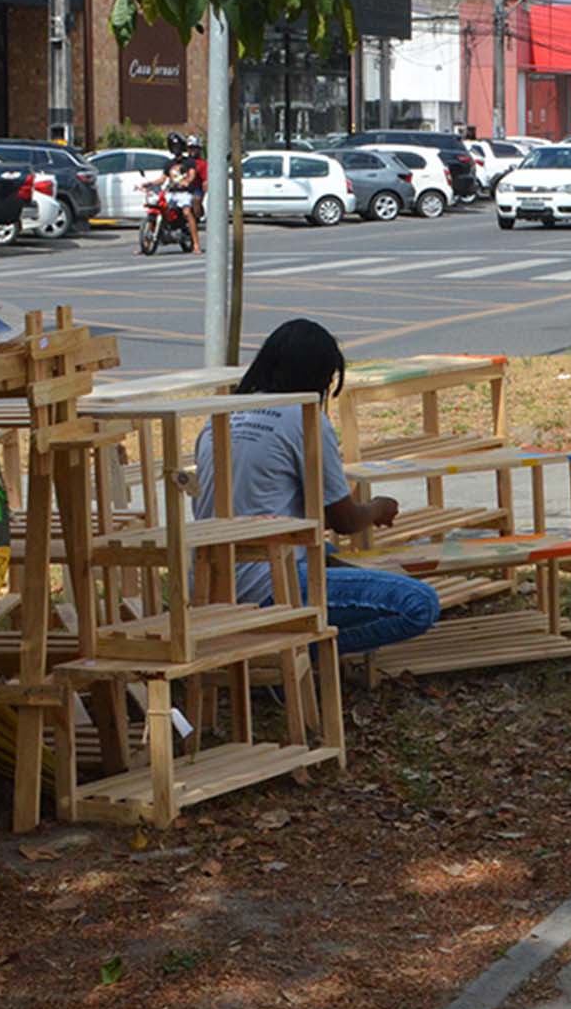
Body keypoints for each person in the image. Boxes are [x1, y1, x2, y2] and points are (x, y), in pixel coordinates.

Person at [192, 319, 441, 655]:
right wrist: (378, 508)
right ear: (318, 378)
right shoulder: (304, 417)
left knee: (329, 555)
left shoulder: (219, 418)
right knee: (419, 604)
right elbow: (345, 521)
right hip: (273, 586)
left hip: (210, 587)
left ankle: (279, 650)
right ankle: (294, 653)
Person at [162, 134, 207, 256]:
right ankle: (147, 241)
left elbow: (197, 179)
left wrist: (200, 193)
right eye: (190, 148)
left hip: (190, 190)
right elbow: (162, 179)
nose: (192, 150)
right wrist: (148, 184)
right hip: (174, 191)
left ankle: (196, 244)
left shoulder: (196, 163)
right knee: (159, 206)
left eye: (195, 148)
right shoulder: (170, 163)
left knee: (188, 211)